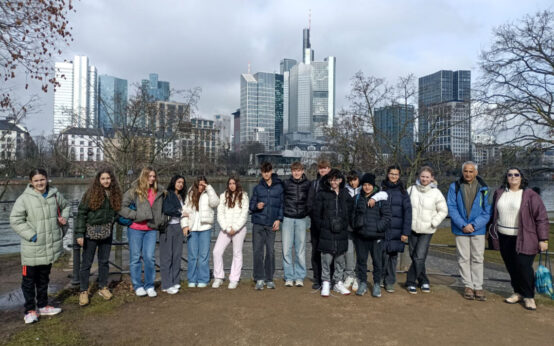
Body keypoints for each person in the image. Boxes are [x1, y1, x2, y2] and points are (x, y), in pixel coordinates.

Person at [10, 168, 69, 324]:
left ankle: (43, 305)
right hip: (32, 247)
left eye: (42, 179)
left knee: (43, 279)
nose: (40, 183)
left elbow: (66, 206)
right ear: (31, 182)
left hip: (48, 246)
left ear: (47, 179)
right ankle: (29, 310)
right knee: (28, 281)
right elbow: (15, 220)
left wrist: (64, 218)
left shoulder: (55, 194)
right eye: (36, 180)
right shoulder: (24, 199)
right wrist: (32, 235)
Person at [489, 167, 549, 310]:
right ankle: (518, 292)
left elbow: (541, 218)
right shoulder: (499, 193)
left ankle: (529, 296)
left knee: (524, 266)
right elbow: (494, 214)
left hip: (525, 237)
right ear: (506, 177)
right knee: (511, 267)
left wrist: (543, 239)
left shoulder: (530, 195)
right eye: (510, 174)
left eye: (516, 174)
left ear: (522, 177)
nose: (513, 177)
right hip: (504, 236)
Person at [75, 167, 122, 306]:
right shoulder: (90, 194)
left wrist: (113, 220)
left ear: (112, 179)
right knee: (86, 263)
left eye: (108, 178)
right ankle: (83, 291)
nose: (106, 181)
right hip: (90, 233)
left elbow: (117, 211)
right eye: (103, 179)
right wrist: (79, 234)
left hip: (106, 232)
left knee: (104, 261)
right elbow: (81, 214)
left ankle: (103, 287)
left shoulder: (115, 194)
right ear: (98, 180)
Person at [447, 161, 492, 301]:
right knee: (463, 258)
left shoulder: (484, 188)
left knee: (478, 258)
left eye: (471, 171)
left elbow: (487, 211)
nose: (468, 174)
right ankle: (468, 285)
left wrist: (474, 225)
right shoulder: (454, 187)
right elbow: (451, 207)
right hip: (461, 229)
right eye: (466, 171)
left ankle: (478, 286)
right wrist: (462, 224)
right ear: (462, 172)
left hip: (477, 229)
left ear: (476, 172)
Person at [120, 166, 166, 298]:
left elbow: (162, 209)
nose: (152, 179)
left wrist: (160, 219)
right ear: (144, 176)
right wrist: (134, 215)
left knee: (150, 258)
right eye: (149, 176)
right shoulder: (134, 190)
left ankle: (149, 285)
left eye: (154, 176)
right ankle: (137, 285)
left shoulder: (159, 191)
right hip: (135, 229)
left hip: (151, 229)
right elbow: (121, 206)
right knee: (135, 258)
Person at [405, 166, 448, 294]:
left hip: (427, 230)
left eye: (427, 177)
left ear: (432, 178)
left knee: (419, 257)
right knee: (415, 257)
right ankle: (423, 280)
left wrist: (433, 223)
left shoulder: (436, 193)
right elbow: (405, 208)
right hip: (412, 229)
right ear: (419, 176)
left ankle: (411, 281)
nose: (424, 179)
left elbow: (443, 210)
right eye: (422, 176)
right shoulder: (411, 190)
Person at [313, 169, 352, 297]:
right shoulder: (322, 194)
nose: (334, 182)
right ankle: (326, 282)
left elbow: (351, 212)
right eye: (331, 179)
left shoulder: (345, 194)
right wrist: (322, 226)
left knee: (340, 259)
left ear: (341, 180)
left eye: (336, 179)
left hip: (341, 231)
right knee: (326, 258)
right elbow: (316, 213)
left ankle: (338, 282)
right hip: (326, 231)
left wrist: (344, 224)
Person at [352, 173, 392, 297]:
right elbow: (352, 215)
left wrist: (377, 228)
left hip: (376, 237)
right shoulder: (357, 198)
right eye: (365, 185)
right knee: (361, 261)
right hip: (361, 236)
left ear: (373, 186)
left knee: (377, 262)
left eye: (369, 185)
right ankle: (363, 282)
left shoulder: (380, 200)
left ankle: (376, 284)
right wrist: (356, 226)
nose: (367, 187)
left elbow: (387, 216)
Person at [249, 162, 284, 290]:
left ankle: (269, 278)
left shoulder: (279, 188)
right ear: (261, 172)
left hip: (271, 224)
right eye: (264, 172)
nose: (266, 174)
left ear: (271, 171)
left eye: (268, 171)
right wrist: (256, 206)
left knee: (270, 251)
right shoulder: (257, 188)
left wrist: (279, 220)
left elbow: (281, 205)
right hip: (258, 223)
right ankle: (259, 278)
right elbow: (251, 206)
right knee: (257, 251)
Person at [181, 176, 219, 288]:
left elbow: (215, 203)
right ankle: (192, 279)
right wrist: (185, 225)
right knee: (192, 256)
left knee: (203, 256)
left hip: (205, 228)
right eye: (200, 184)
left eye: (204, 184)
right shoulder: (190, 194)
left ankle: (203, 278)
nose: (202, 186)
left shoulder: (209, 194)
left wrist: (209, 188)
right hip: (192, 228)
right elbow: (185, 211)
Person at [212, 176, 249, 289]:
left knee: (237, 253)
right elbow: (220, 214)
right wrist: (227, 228)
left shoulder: (244, 196)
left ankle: (234, 278)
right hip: (226, 229)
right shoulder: (223, 196)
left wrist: (236, 228)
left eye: (234, 183)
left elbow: (244, 214)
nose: (231, 185)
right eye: (230, 183)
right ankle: (219, 277)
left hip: (239, 229)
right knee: (216, 251)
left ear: (237, 184)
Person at [380, 165, 412, 293]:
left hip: (397, 229)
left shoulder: (403, 192)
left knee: (393, 256)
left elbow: (408, 213)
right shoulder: (381, 189)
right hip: (383, 228)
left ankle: (390, 281)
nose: (393, 176)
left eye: (396, 174)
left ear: (399, 176)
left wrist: (405, 232)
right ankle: (381, 278)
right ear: (387, 174)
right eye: (391, 173)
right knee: (382, 255)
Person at [281, 161, 311, 287]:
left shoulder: (308, 184)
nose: (296, 173)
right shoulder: (286, 184)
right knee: (286, 249)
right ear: (291, 172)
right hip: (288, 218)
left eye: (299, 170)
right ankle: (289, 276)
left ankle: (299, 276)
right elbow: (282, 200)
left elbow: (310, 201)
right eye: (294, 170)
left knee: (300, 250)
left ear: (302, 171)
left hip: (301, 219)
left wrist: (307, 213)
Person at [160, 175, 187, 294]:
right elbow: (167, 209)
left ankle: (175, 281)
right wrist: (180, 212)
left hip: (178, 227)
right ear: (173, 182)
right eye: (178, 182)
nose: (180, 184)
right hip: (168, 227)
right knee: (167, 256)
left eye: (182, 182)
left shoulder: (182, 197)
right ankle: (166, 284)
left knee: (177, 255)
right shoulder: (168, 194)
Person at [307, 159, 331, 289]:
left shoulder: (333, 184)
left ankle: (329, 278)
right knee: (316, 251)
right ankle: (317, 278)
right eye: (321, 168)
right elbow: (309, 204)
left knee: (330, 251)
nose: (323, 170)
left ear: (329, 169)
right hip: (316, 224)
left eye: (325, 168)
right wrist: (316, 219)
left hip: (330, 224)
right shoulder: (314, 184)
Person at [344, 170, 361, 291]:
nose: (352, 182)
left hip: (360, 228)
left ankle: (358, 277)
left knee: (360, 254)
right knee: (349, 252)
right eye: (350, 180)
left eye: (354, 179)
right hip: (348, 227)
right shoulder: (344, 191)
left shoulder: (365, 190)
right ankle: (349, 275)